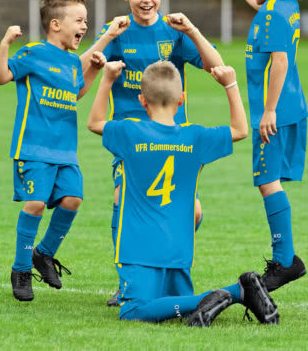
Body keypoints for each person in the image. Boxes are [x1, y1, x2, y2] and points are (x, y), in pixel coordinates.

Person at [80, 0, 225, 306]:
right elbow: (78, 79)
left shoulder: (174, 33)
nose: (146, 0)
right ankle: (129, 279)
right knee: (123, 200)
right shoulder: (117, 32)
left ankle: (161, 267)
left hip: (174, 138)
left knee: (191, 212)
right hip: (132, 137)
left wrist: (192, 30)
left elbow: (217, 65)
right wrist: (104, 40)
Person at [88, 60, 278, 326]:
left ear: (142, 100)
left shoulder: (129, 131)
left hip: (139, 248)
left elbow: (95, 121)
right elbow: (240, 130)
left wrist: (107, 79)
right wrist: (230, 84)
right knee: (174, 307)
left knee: (132, 311)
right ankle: (232, 293)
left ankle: (231, 293)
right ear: (182, 100)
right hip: (179, 248)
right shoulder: (195, 137)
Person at [0, 0, 109, 301]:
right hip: (33, 149)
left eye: (86, 20)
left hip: (65, 151)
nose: (85, 26)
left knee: (73, 199)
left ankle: (43, 254)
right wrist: (6, 44)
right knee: (36, 204)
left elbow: (74, 94)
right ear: (56, 24)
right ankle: (20, 269)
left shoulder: (73, 62)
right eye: (80, 20)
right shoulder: (33, 52)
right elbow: (2, 77)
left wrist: (94, 71)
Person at [242, 0, 308, 292]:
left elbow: (279, 62)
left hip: (276, 111)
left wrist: (269, 110)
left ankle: (286, 261)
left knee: (266, 180)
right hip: (291, 106)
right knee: (267, 180)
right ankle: (285, 258)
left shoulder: (275, 12)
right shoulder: (284, 3)